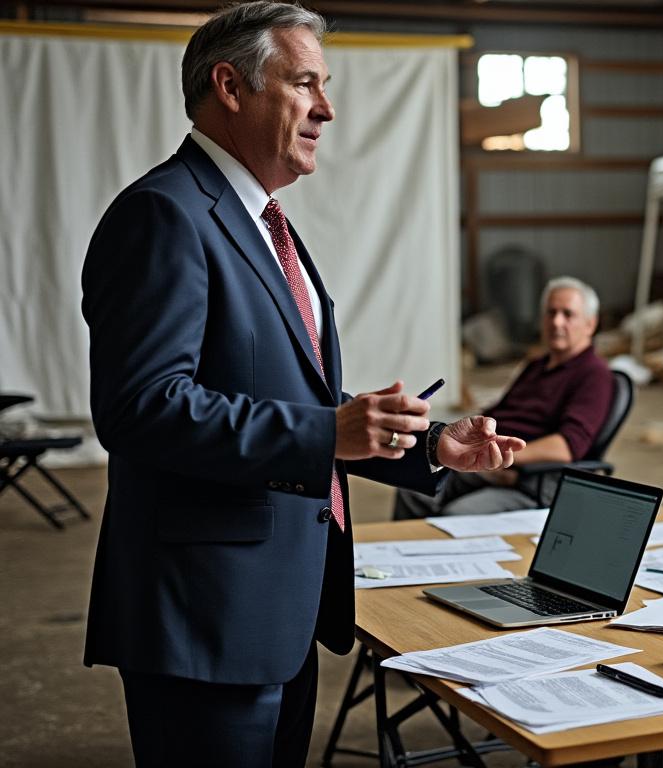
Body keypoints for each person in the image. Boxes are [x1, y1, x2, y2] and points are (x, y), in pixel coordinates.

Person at [79, 4, 524, 765]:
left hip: (276, 608)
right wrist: (328, 432)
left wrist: (428, 447)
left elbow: (295, 403)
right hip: (203, 619)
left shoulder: (261, 221)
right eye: (306, 83)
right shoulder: (163, 214)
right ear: (230, 85)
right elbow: (141, 407)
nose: (328, 108)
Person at [393, 276, 614, 518]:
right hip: (491, 464)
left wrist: (501, 459)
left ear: (590, 324)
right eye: (551, 313)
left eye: (567, 314)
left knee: (459, 514)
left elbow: (567, 447)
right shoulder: (537, 366)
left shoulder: (594, 375)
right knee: (412, 487)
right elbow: (498, 413)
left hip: (535, 479)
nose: (556, 322)